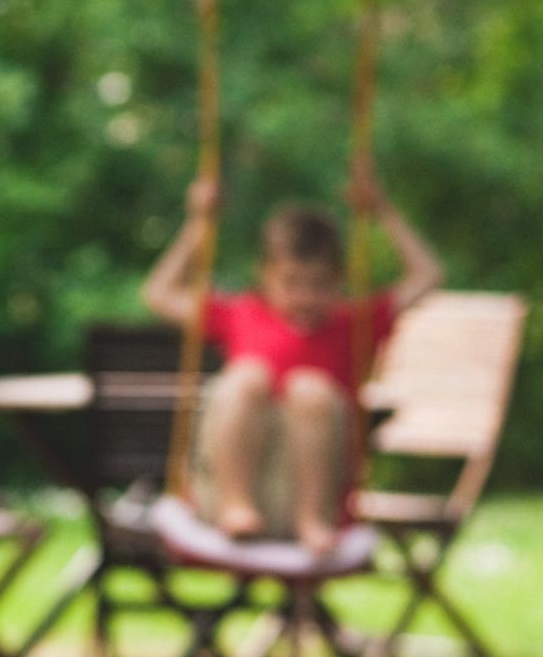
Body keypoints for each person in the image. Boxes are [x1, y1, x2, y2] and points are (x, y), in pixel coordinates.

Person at [141, 162, 443, 555]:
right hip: (240, 498)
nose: (305, 297)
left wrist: (383, 211)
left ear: (340, 280)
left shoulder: (354, 324)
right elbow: (158, 294)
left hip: (318, 502)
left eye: (319, 284)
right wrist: (198, 225)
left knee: (310, 389)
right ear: (264, 275)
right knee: (247, 378)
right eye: (291, 282)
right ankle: (237, 504)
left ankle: (311, 518)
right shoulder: (241, 314)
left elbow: (428, 274)